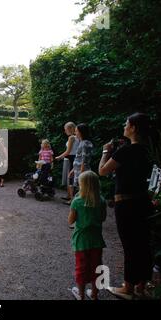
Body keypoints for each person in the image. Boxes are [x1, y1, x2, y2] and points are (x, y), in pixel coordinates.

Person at [99, 113, 154, 300]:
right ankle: (142, 285)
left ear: (133, 128)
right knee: (143, 244)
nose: (124, 126)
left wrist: (106, 151)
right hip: (143, 202)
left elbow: (102, 170)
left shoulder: (126, 151)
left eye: (126, 124)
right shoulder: (147, 150)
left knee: (130, 246)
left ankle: (128, 288)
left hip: (126, 204)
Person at [68, 171, 107, 300]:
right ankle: (94, 294)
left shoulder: (77, 201)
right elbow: (103, 218)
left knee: (81, 268)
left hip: (81, 241)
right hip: (96, 240)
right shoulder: (101, 200)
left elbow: (70, 221)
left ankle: (80, 295)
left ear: (82, 185)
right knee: (97, 267)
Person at [68, 123, 93, 205]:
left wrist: (81, 175)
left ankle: (81, 209)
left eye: (76, 131)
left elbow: (84, 160)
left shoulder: (85, 144)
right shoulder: (82, 143)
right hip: (78, 172)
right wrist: (73, 170)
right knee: (80, 192)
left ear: (81, 132)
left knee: (82, 193)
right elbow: (78, 159)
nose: (75, 133)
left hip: (82, 173)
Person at [55, 122, 79, 203]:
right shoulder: (77, 137)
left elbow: (68, 151)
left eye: (66, 129)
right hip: (72, 158)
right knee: (69, 177)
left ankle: (71, 199)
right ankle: (69, 196)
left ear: (71, 128)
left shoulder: (71, 138)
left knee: (70, 177)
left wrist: (59, 157)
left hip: (71, 158)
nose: (65, 131)